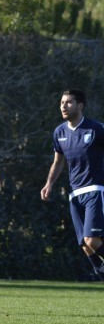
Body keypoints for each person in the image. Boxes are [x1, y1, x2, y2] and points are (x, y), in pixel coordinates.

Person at [41, 89, 104, 282]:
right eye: (61, 102)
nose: (63, 106)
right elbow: (58, 162)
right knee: (84, 245)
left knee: (91, 240)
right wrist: (49, 183)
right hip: (75, 194)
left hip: (95, 190)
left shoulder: (96, 129)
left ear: (80, 105)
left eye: (68, 102)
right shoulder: (59, 132)